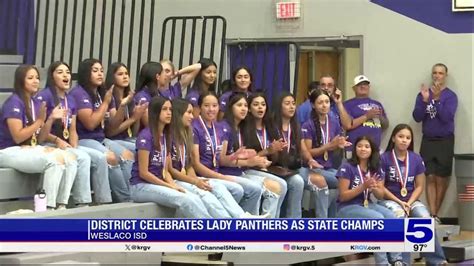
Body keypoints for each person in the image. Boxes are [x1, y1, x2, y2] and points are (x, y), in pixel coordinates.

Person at [168, 98, 262, 218]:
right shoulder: (177, 134)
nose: (192, 116)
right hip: (182, 178)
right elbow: (174, 169)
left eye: (214, 105)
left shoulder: (189, 132)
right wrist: (195, 181)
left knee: (237, 189)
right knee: (210, 194)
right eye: (189, 113)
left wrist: (234, 157)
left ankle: (241, 218)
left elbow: (189, 164)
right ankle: (232, 222)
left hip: (195, 176)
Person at [0, 65, 75, 210]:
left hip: (30, 148)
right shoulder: (14, 102)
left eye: (37, 78)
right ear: (21, 81)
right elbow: (17, 137)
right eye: (30, 78)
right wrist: (40, 121)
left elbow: (40, 139)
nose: (35, 81)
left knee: (70, 158)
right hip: (7, 150)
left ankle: (61, 205)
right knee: (54, 161)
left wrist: (50, 119)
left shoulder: (36, 103)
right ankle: (47, 207)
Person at [130, 96, 212, 218]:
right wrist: (169, 186)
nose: (169, 113)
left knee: (194, 197)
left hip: (158, 183)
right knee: (185, 200)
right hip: (140, 186)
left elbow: (165, 170)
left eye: (170, 109)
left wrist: (173, 184)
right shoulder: (146, 136)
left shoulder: (166, 136)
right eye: (164, 109)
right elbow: (144, 173)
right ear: (156, 112)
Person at [379, 124, 447, 265]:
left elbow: (420, 185)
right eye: (401, 136)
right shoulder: (384, 158)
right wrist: (400, 202)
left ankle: (436, 260)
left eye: (408, 138)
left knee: (424, 217)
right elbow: (380, 187)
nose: (404, 140)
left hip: (411, 200)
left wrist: (409, 203)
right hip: (390, 200)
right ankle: (403, 262)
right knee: (400, 216)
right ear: (393, 138)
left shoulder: (416, 158)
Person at [191, 92, 265, 216]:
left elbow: (220, 159)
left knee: (254, 189)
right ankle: (240, 222)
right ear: (199, 108)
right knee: (239, 190)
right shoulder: (195, 127)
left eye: (214, 105)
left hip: (216, 172)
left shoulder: (218, 128)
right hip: (203, 174)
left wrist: (235, 156)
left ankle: (246, 225)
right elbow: (196, 164)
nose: (211, 109)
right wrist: (220, 176)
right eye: (207, 106)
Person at [70, 58, 132, 203]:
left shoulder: (102, 92)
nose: (100, 74)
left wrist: (122, 106)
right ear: (86, 73)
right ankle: (123, 200)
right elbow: (90, 124)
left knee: (128, 155)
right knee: (110, 158)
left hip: (100, 138)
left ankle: (130, 195)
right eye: (95, 71)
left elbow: (114, 124)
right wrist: (105, 103)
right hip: (84, 139)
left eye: (101, 71)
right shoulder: (79, 93)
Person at [336, 135, 403, 265]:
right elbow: (343, 196)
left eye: (367, 146)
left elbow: (379, 195)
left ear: (372, 150)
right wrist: (363, 187)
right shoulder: (347, 167)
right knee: (378, 219)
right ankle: (382, 263)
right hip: (347, 207)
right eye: (360, 146)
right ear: (355, 149)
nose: (363, 149)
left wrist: (375, 188)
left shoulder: (375, 168)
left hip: (367, 204)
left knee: (392, 217)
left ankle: (396, 259)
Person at [35, 61, 92, 207]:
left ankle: (75, 203)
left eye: (67, 72)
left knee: (82, 156)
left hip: (64, 143)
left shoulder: (70, 99)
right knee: (82, 157)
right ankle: (76, 202)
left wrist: (74, 145)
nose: (65, 75)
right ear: (52, 77)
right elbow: (38, 129)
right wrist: (56, 140)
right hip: (47, 142)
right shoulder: (44, 96)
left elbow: (72, 129)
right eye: (60, 72)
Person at [218, 92, 283, 218]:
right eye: (239, 105)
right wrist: (249, 161)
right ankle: (250, 227)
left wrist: (257, 158)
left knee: (277, 186)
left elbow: (246, 154)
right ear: (231, 107)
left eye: (245, 105)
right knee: (257, 188)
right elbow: (222, 160)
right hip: (228, 172)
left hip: (241, 170)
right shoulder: (224, 127)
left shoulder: (243, 127)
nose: (243, 108)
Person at [412, 63, 457, 223]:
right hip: (428, 140)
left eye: (441, 73)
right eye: (435, 73)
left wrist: (437, 100)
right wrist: (425, 101)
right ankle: (432, 214)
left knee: (441, 178)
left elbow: (446, 117)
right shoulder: (423, 94)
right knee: (429, 176)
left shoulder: (450, 96)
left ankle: (436, 213)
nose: (437, 76)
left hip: (445, 140)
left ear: (445, 76)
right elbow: (417, 117)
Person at [302, 89, 351, 218]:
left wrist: (338, 145)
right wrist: (329, 146)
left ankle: (333, 220)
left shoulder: (334, 122)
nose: (324, 105)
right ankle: (322, 221)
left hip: (328, 168)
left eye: (327, 102)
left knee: (345, 182)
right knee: (340, 181)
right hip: (311, 168)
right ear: (313, 105)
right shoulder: (308, 125)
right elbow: (307, 152)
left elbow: (333, 147)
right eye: (320, 103)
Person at [241, 92, 290, 218]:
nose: (260, 107)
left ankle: (272, 222)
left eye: (263, 104)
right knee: (280, 185)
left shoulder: (270, 126)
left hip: (268, 167)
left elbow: (276, 157)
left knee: (286, 184)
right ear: (249, 109)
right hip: (249, 169)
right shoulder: (244, 127)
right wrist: (267, 151)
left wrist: (275, 152)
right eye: (256, 105)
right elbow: (246, 158)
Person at [104, 62, 146, 153]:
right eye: (120, 74)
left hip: (127, 138)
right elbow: (111, 132)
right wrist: (133, 118)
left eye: (126, 74)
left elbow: (134, 133)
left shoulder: (130, 98)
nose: (125, 76)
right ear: (112, 77)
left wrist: (137, 117)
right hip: (112, 140)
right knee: (141, 150)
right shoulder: (109, 97)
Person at [344, 75, 389, 152]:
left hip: (374, 149)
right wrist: (366, 116)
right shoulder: (347, 104)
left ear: (369, 87)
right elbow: (348, 125)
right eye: (359, 85)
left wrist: (380, 117)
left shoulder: (377, 104)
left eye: (365, 84)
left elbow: (385, 125)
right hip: (354, 149)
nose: (362, 86)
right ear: (354, 88)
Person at [133, 61, 167, 128]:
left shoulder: (160, 94)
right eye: (164, 72)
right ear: (157, 76)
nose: (166, 76)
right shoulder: (142, 97)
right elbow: (149, 124)